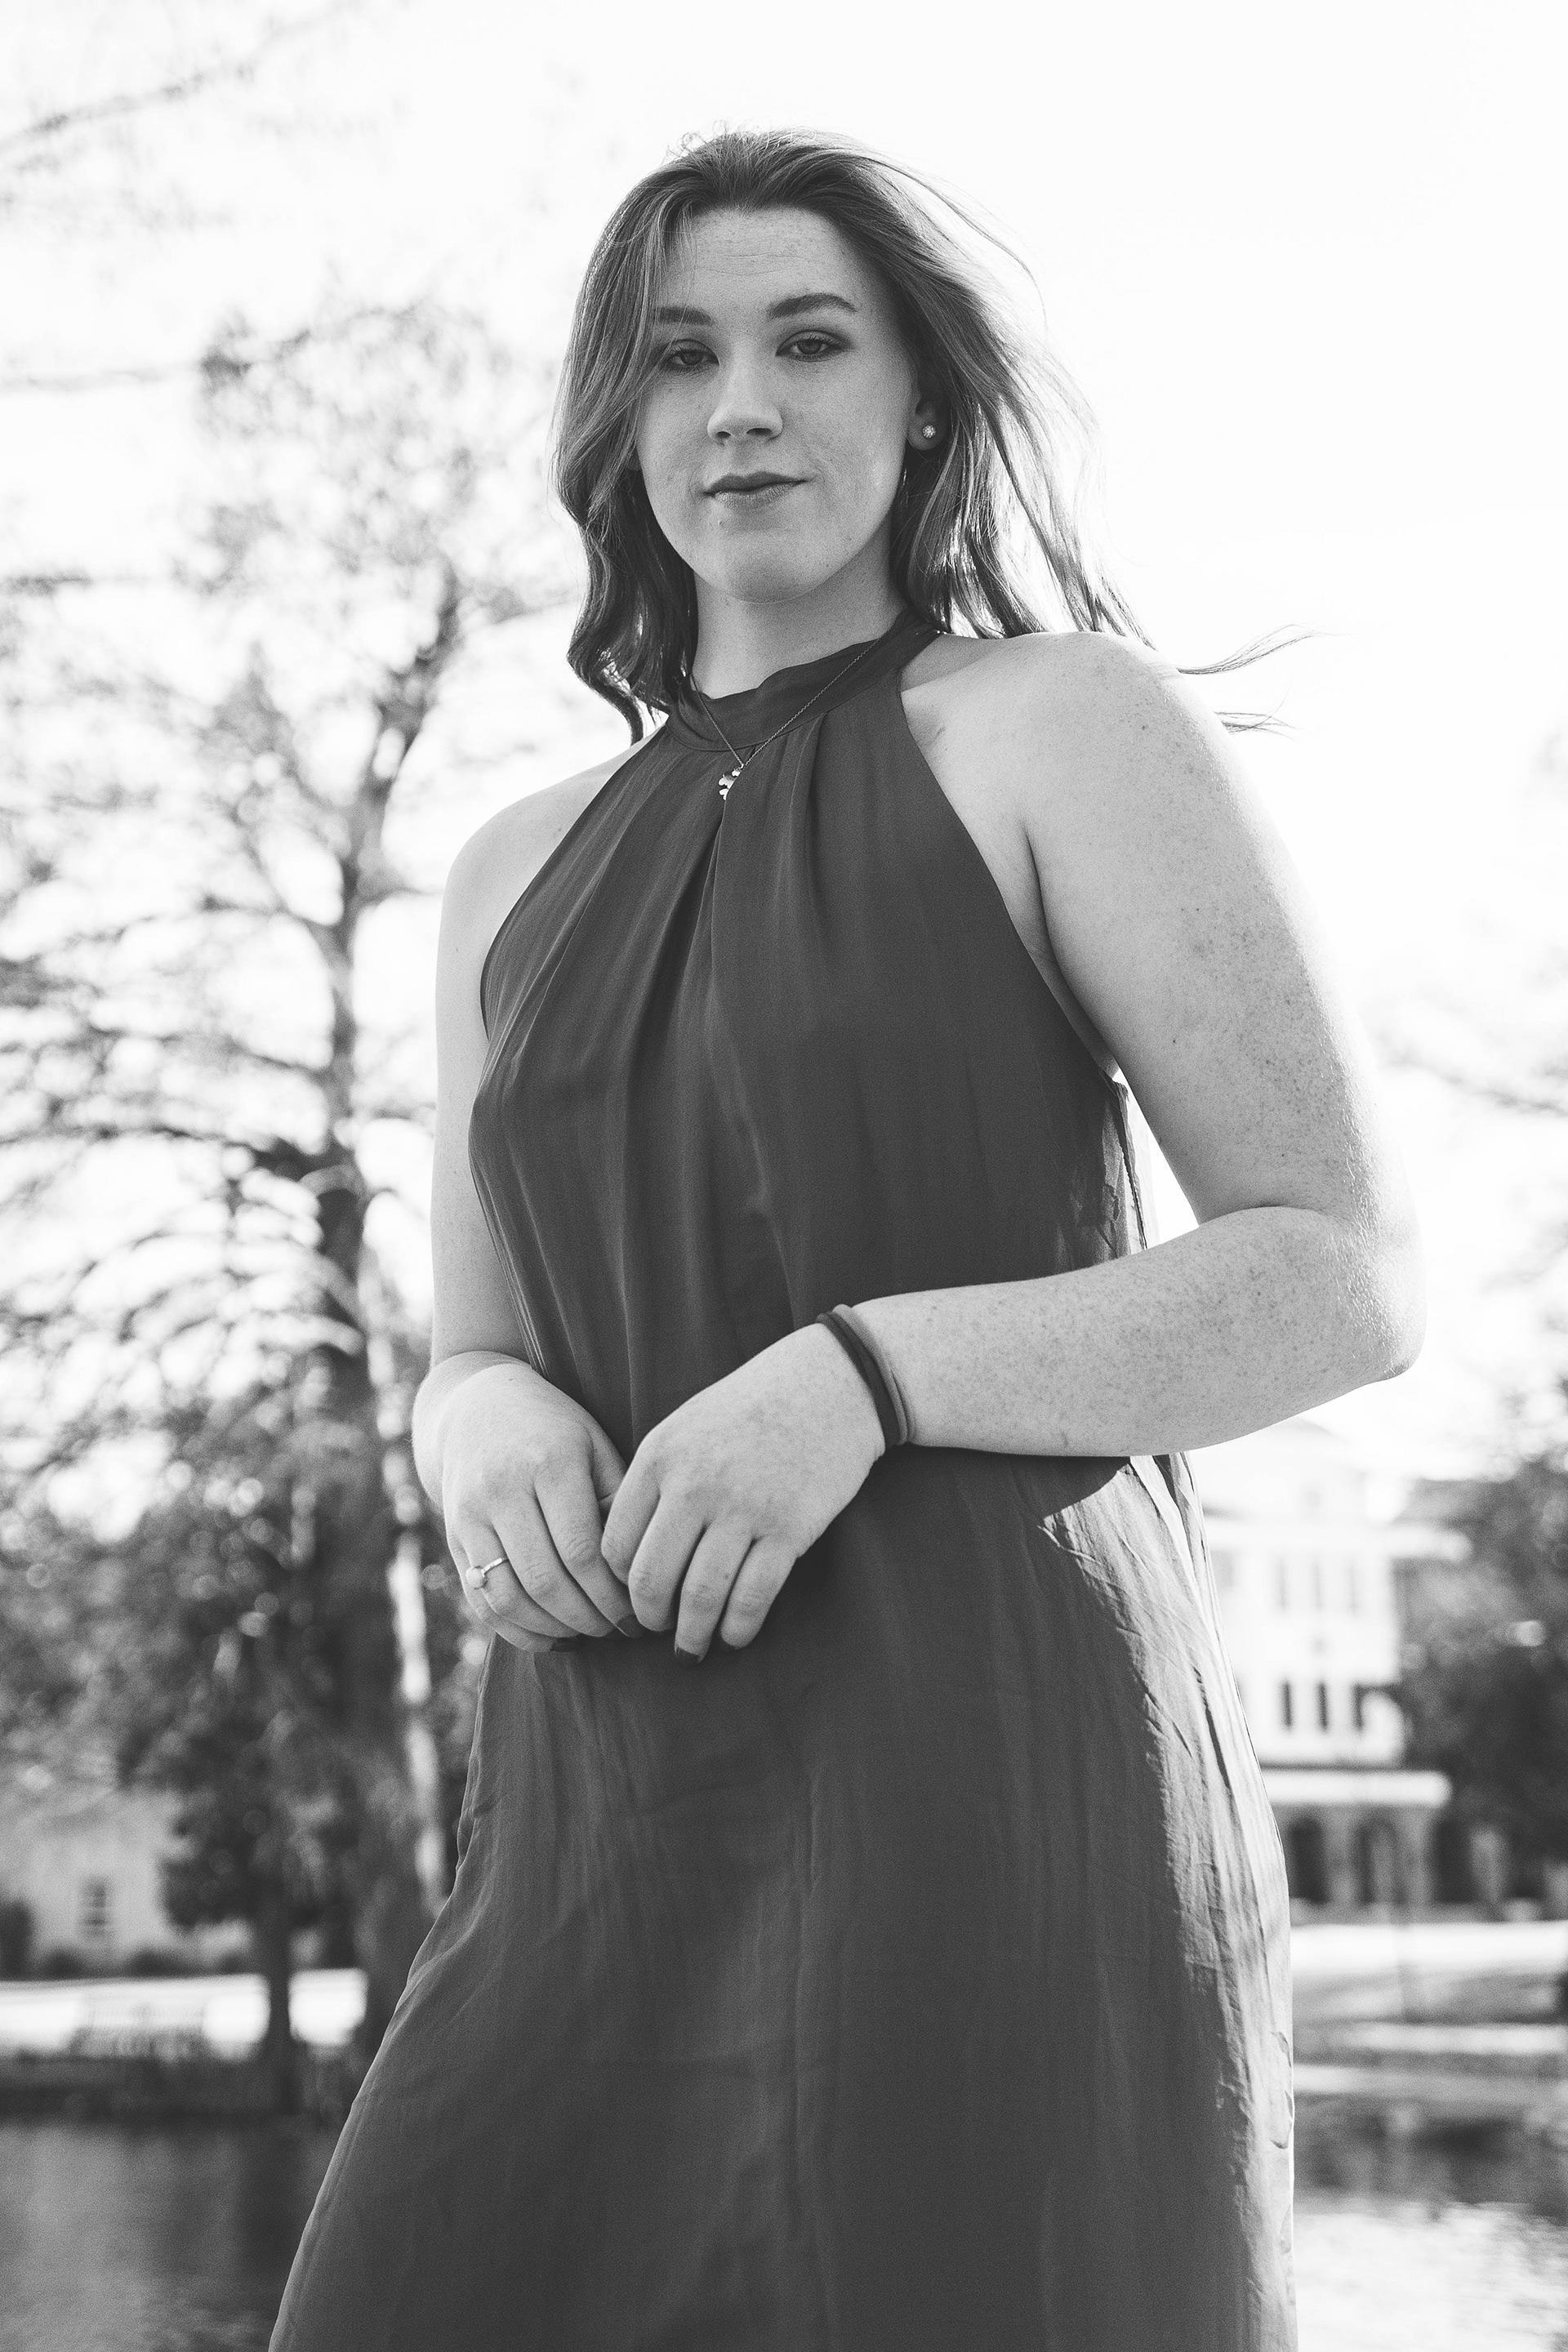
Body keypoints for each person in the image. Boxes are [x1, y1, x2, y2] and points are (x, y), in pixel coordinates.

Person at [272, 128, 1423, 2352]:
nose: (742, 407)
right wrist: (476, 1426)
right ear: (615, 426)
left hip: (985, 1793)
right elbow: (474, 1345)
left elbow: (1340, 1271)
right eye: (677, 355)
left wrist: (865, 1378)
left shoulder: (1061, 728)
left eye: (811, 343)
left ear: (921, 408)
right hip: (599, 1819)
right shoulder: (509, 871)